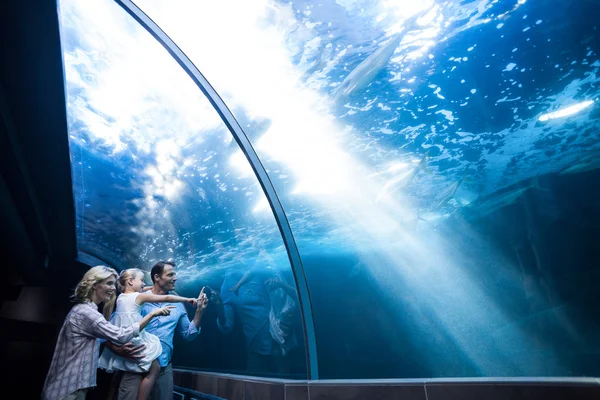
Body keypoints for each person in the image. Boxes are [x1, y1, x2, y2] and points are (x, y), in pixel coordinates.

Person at [41, 265, 171, 400]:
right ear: (94, 285)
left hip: (71, 385)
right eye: (108, 283)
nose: (113, 288)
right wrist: (152, 314)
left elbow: (104, 338)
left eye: (113, 284)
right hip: (67, 388)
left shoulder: (85, 310)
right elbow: (121, 336)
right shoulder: (87, 313)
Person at [106, 261, 208, 400]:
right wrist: (118, 351)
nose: (175, 278)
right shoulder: (136, 299)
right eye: (170, 274)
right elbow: (107, 333)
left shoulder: (178, 304)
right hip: (133, 364)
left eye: (175, 274)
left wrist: (199, 312)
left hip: (163, 367)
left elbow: (188, 335)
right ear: (157, 277)